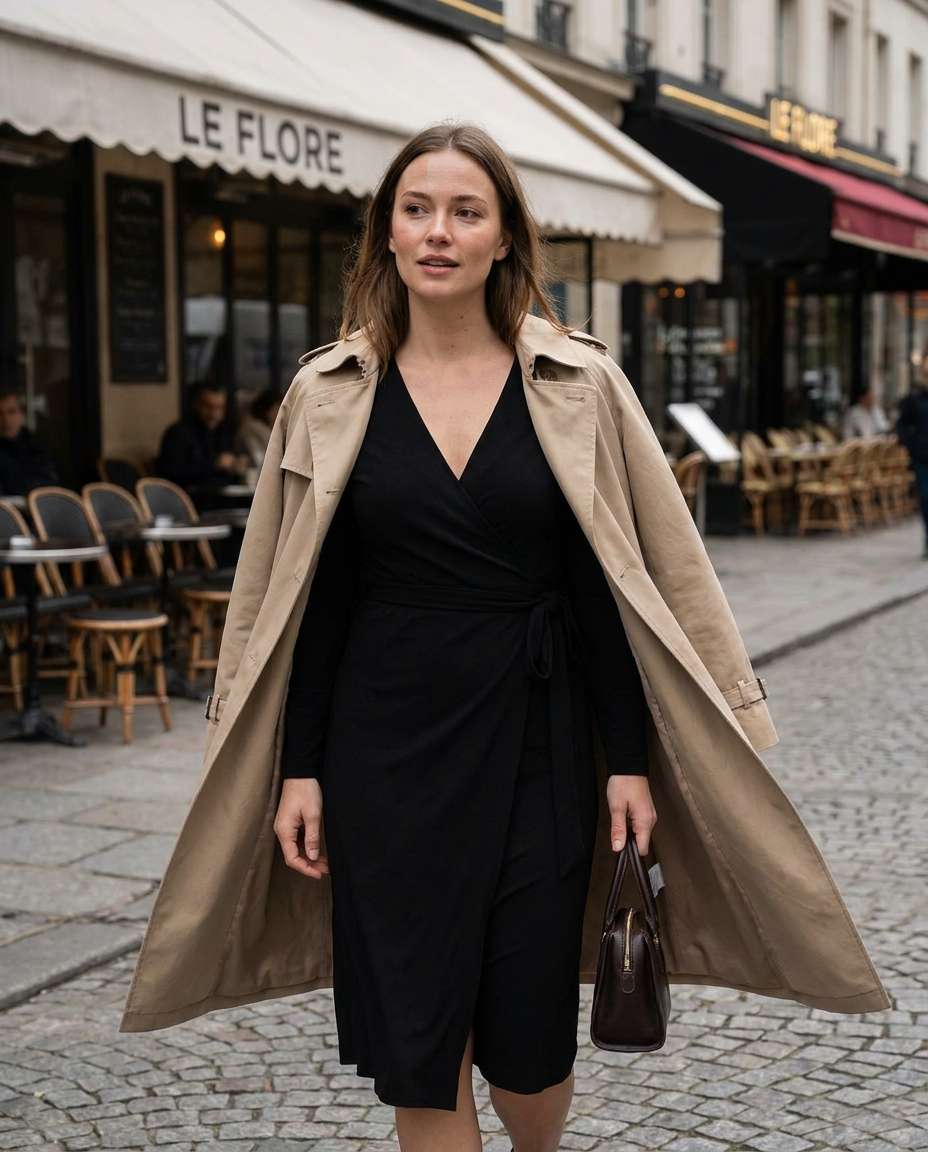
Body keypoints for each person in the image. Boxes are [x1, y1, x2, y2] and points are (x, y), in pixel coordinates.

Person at [121, 123, 891, 1149]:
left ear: (500, 238)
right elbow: (310, 601)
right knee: (421, 1053)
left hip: (540, 738)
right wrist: (297, 769)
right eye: (418, 209)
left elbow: (607, 587)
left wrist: (628, 762)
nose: (439, 231)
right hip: (381, 752)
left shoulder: (575, 384)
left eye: (465, 212)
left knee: (529, 1048)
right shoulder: (328, 392)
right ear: (387, 233)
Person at [155, 383, 246, 492]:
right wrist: (215, 464)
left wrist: (236, 465)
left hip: (222, 494)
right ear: (196, 405)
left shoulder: (222, 432)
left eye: (219, 408)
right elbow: (171, 473)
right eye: (209, 407)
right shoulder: (178, 433)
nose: (214, 414)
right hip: (191, 497)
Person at [0, 388, 59, 496]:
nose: (6, 419)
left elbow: (49, 482)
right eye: (0, 413)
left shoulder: (38, 446)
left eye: (11, 412)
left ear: (21, 414)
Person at [896, 375, 928, 559]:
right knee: (926, 498)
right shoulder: (915, 400)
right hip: (922, 458)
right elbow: (902, 424)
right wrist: (911, 445)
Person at [235, 388, 281, 470]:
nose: (281, 413)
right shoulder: (252, 428)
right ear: (268, 411)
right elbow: (259, 459)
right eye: (278, 408)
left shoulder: (271, 429)